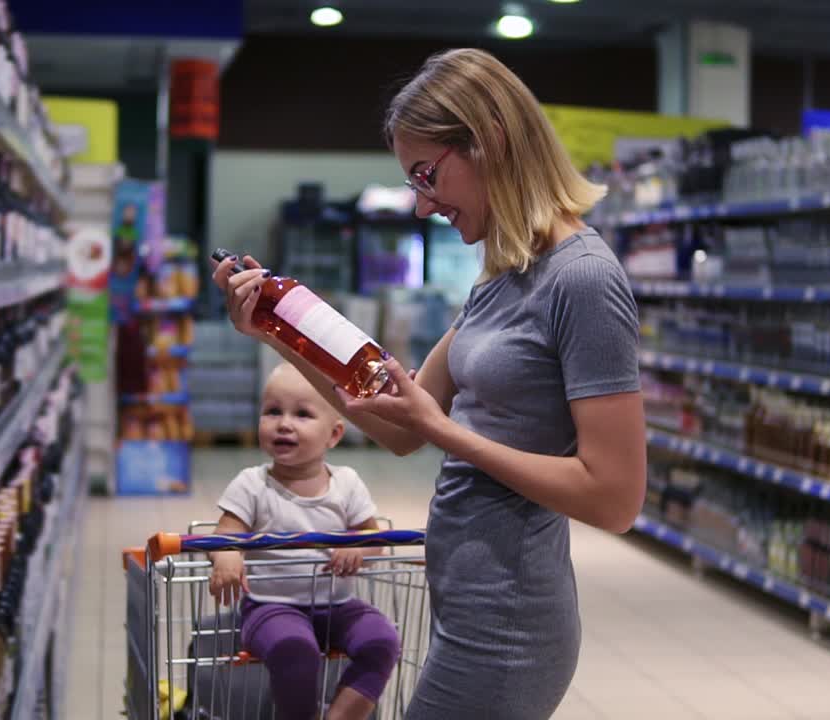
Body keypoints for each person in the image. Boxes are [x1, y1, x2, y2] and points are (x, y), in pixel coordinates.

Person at [212, 47, 646, 719]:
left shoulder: (583, 280)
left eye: (426, 174)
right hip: (463, 606)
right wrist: (274, 329)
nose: (420, 205)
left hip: (511, 625)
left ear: (489, 140)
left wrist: (448, 433)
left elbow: (615, 497)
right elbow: (396, 426)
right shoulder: (500, 276)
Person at [208, 363, 401, 720]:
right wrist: (227, 557)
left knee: (383, 640)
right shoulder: (252, 484)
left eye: (302, 414)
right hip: (269, 607)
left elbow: (374, 536)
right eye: (272, 411)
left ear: (334, 434)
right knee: (296, 649)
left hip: (337, 605)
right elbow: (226, 533)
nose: (284, 423)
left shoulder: (347, 483)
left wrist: (358, 546)